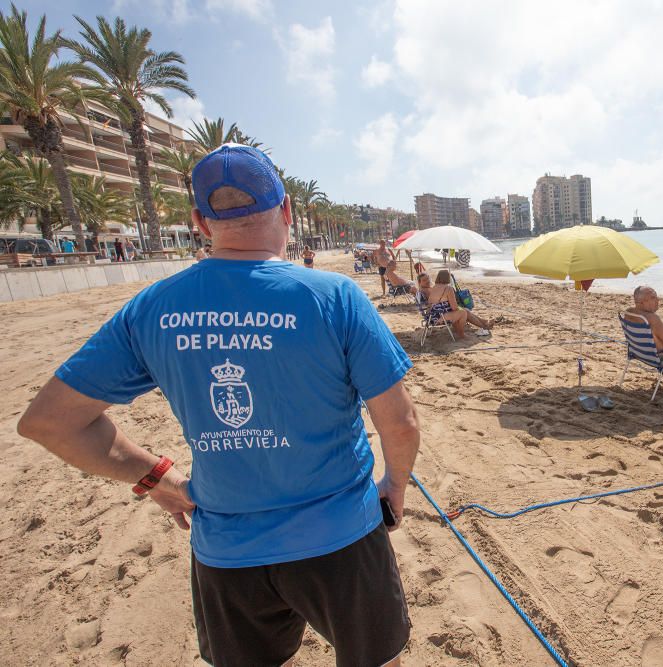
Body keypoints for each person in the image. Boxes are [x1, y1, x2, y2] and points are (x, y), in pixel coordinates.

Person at [17, 144, 419, 667]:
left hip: (227, 551)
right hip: (340, 536)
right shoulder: (335, 296)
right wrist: (394, 486)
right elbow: (401, 423)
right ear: (288, 211)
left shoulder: (153, 308)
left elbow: (48, 422)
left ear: (201, 223)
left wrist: (157, 479)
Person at [425, 269, 493, 337]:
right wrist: (461, 308)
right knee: (463, 312)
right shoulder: (448, 288)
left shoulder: (434, 287)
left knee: (464, 310)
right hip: (439, 317)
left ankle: (484, 323)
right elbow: (454, 308)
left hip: (432, 316)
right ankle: (461, 334)